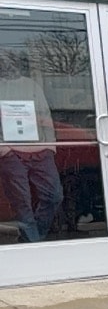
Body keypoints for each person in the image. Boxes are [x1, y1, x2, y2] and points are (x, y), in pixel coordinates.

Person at [0, 70, 63, 244]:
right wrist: (4, 149)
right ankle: (33, 243)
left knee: (54, 195)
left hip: (41, 150)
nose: (9, 65)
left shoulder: (31, 85)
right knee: (22, 202)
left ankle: (34, 238)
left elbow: (45, 115)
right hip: (11, 152)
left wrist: (50, 146)